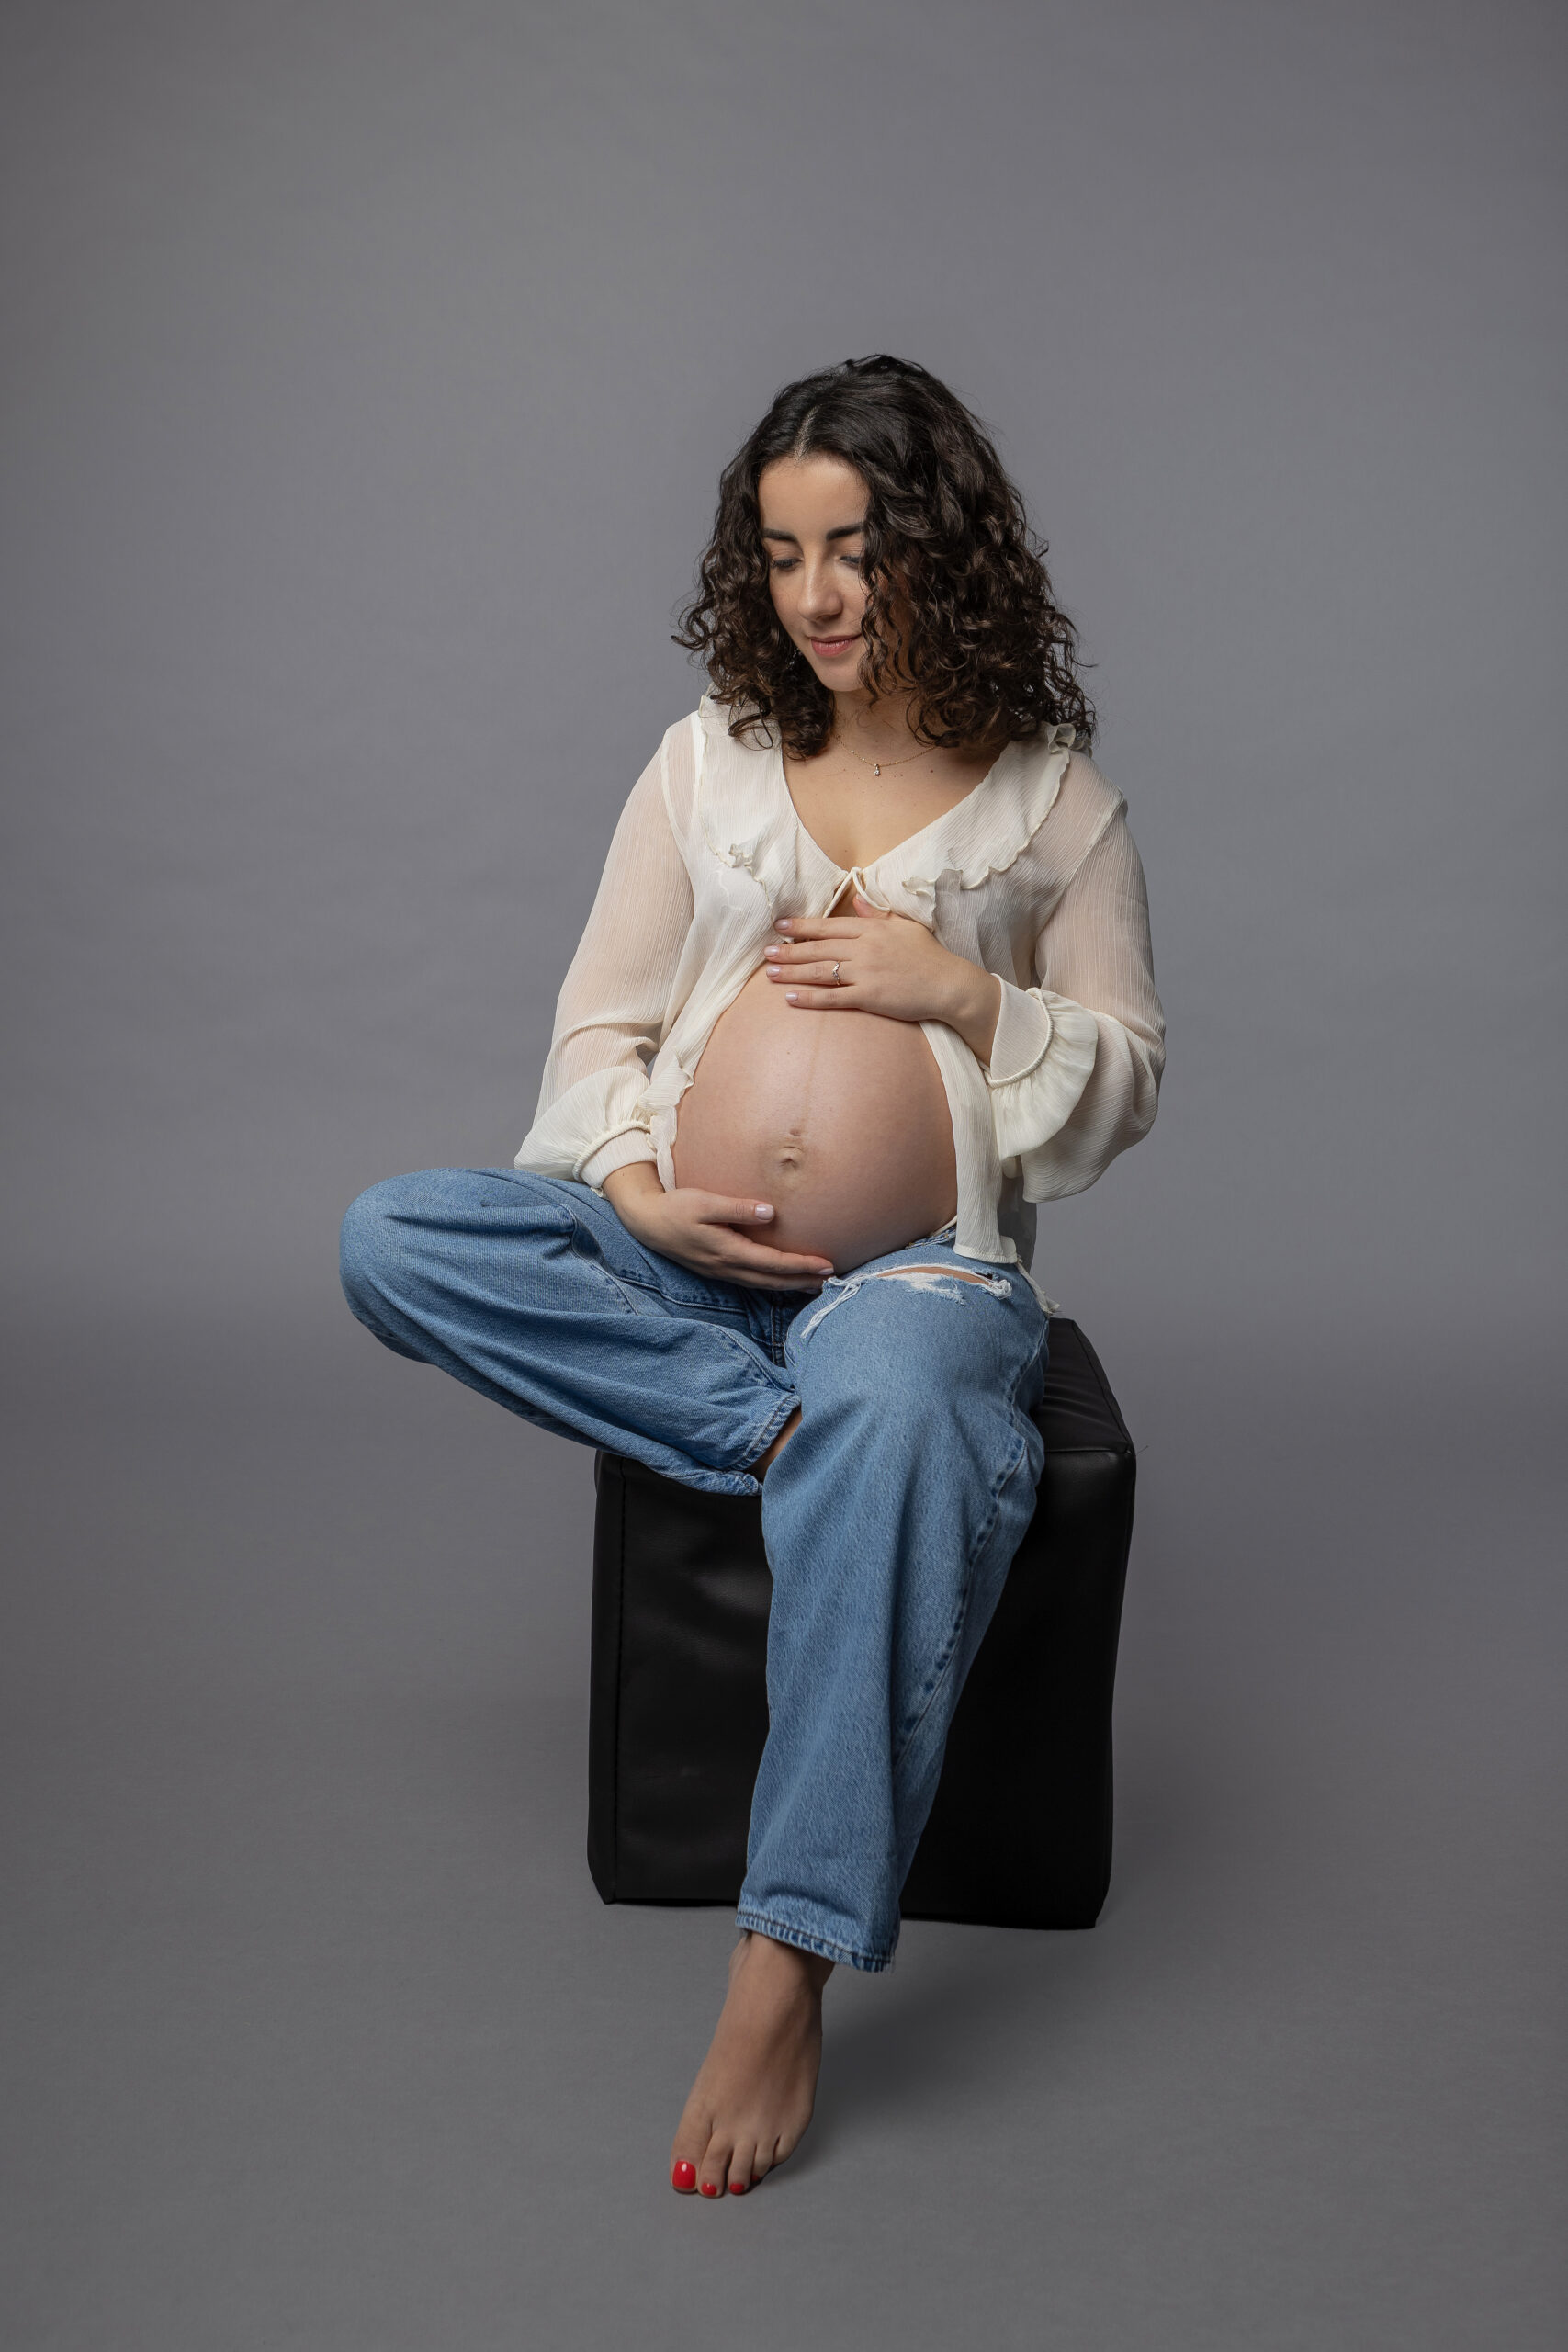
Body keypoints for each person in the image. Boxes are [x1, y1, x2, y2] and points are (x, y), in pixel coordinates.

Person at [339, 355, 1166, 2199]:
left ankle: (778, 1961)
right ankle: (791, 1431)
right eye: (783, 551)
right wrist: (633, 1190)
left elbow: (1119, 1080)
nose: (815, 594)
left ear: (936, 549)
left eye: (855, 546)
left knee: (889, 1379)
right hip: (684, 1277)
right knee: (395, 1234)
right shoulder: (701, 757)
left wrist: (953, 992)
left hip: (914, 1276)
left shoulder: (1050, 804)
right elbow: (599, 1020)